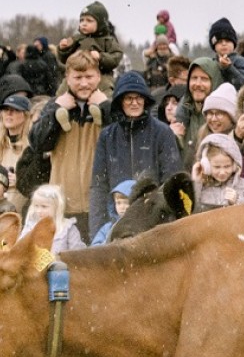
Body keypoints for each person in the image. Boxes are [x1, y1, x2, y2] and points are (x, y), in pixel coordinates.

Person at [88, 71, 181, 237]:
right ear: (120, 101)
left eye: (139, 98)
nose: (135, 103)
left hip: (152, 220)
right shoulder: (107, 136)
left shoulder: (162, 132)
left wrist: (167, 224)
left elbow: (170, 179)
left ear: (145, 100)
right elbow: (99, 185)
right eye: (129, 98)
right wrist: (97, 230)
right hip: (116, 219)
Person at [28, 52, 106, 237]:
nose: (84, 83)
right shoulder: (55, 105)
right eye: (78, 78)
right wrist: (56, 109)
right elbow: (37, 143)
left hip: (97, 203)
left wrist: (105, 107)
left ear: (98, 76)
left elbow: (121, 139)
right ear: (67, 78)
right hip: (63, 202)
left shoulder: (108, 105)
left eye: (89, 77)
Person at [56, 2, 124, 91]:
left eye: (89, 20)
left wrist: (101, 57)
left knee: (106, 88)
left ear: (100, 23)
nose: (84, 23)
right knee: (64, 87)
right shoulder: (76, 38)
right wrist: (63, 49)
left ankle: (106, 100)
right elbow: (65, 60)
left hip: (101, 74)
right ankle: (59, 100)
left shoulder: (108, 40)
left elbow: (116, 56)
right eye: (81, 20)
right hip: (78, 73)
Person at [193, 133, 244, 207]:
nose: (222, 172)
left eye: (227, 166)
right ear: (207, 166)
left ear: (235, 165)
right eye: (217, 167)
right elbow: (190, 208)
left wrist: (238, 200)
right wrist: (196, 182)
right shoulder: (200, 187)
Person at [23, 184, 84, 252]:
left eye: (44, 206)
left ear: (57, 207)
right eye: (36, 206)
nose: (38, 210)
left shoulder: (68, 228)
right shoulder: (30, 227)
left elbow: (77, 254)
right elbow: (20, 250)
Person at [206, 19, 244, 86]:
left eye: (227, 41)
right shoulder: (210, 64)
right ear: (214, 46)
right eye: (219, 42)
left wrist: (229, 68)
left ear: (233, 43)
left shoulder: (241, 61)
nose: (224, 44)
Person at [91, 180, 136, 245]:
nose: (122, 207)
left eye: (126, 203)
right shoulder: (108, 228)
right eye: (118, 203)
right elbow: (95, 247)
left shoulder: (140, 226)